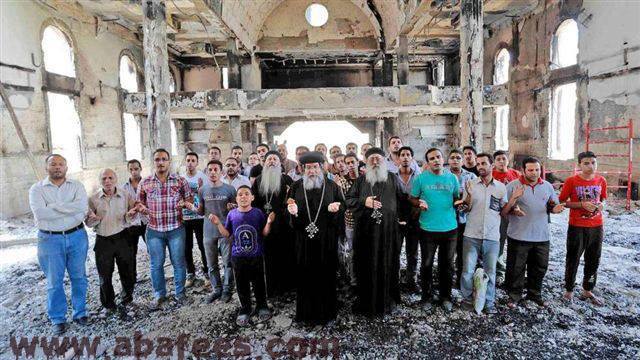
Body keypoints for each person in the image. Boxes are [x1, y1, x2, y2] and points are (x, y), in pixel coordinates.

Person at [29, 154, 90, 335]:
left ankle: (80, 313)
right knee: (54, 282)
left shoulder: (77, 186)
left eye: (61, 164)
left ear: (66, 167)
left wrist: (54, 206)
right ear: (46, 167)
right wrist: (68, 208)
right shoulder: (36, 189)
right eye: (53, 164)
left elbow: (81, 208)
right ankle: (58, 318)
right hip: (49, 240)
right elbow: (41, 214)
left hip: (77, 236)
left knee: (79, 277)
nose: (57, 167)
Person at [287, 152, 345, 324]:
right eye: (308, 168)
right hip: (303, 239)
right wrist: (293, 213)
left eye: (314, 167)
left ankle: (327, 314)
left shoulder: (332, 186)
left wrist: (337, 209)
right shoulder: (296, 187)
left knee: (326, 273)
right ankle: (306, 315)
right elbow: (288, 208)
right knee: (305, 275)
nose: (311, 170)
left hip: (326, 239)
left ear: (321, 167)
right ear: (303, 169)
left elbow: (343, 207)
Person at [346, 147, 404, 315]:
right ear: (366, 162)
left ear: (384, 161)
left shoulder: (393, 178)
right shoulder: (360, 181)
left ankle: (388, 300)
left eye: (378, 158)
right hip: (365, 232)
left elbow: (402, 200)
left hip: (388, 231)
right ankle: (366, 301)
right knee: (366, 263)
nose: (375, 161)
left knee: (388, 263)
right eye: (372, 159)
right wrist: (364, 201)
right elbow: (349, 199)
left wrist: (404, 217)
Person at [501, 157, 565, 308]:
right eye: (530, 170)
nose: (534, 173)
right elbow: (503, 211)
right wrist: (514, 206)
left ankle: (534, 293)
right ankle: (514, 296)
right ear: (523, 170)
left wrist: (556, 209)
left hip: (541, 236)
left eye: (537, 169)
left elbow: (552, 205)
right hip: (518, 235)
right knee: (516, 267)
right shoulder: (513, 186)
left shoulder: (547, 186)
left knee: (540, 267)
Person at [210, 186, 274, 327]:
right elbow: (227, 234)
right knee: (241, 283)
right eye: (240, 195)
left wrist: (269, 222)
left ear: (252, 197)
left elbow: (264, 233)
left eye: (246, 194)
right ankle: (245, 308)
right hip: (238, 257)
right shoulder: (232, 214)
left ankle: (262, 305)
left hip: (256, 255)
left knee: (259, 282)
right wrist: (217, 223)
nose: (243, 197)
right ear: (236, 198)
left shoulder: (258, 213)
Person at [137, 148, 193, 309]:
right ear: (153, 162)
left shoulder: (180, 181)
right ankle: (160, 295)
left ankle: (180, 293)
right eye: (157, 159)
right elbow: (138, 201)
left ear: (169, 161)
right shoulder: (145, 182)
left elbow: (189, 197)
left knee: (178, 262)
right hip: (154, 230)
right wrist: (141, 208)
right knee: (156, 264)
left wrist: (185, 202)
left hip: (176, 228)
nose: (160, 162)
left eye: (163, 159)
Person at [410, 148, 460, 312]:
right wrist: (419, 204)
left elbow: (456, 199)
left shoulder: (452, 178)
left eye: (438, 157)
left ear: (442, 158)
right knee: (426, 264)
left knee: (447, 265)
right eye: (432, 158)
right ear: (428, 162)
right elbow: (412, 198)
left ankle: (445, 296)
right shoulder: (420, 179)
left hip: (450, 229)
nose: (436, 160)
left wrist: (466, 200)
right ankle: (426, 297)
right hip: (427, 229)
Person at [459, 153, 507, 314]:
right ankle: (466, 300)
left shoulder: (500, 188)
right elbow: (465, 209)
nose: (480, 166)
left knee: (491, 271)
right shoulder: (470, 184)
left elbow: (503, 210)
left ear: (491, 165)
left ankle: (489, 302)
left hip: (492, 236)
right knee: (467, 270)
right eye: (478, 164)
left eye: (483, 163)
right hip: (471, 234)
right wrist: (469, 195)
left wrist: (514, 200)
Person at [86, 169, 138, 314]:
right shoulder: (93, 198)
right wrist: (92, 220)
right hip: (103, 241)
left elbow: (133, 215)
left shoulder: (125, 195)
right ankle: (108, 304)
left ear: (115, 179)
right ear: (100, 181)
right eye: (104, 179)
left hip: (123, 237)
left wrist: (130, 215)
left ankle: (127, 298)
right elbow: (88, 223)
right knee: (105, 274)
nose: (107, 181)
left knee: (127, 271)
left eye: (110, 178)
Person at [559, 151, 607, 305]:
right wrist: (581, 204)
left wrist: (601, 205)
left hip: (596, 226)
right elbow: (562, 202)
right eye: (586, 163)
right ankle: (569, 289)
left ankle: (587, 289)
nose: (590, 166)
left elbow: (604, 199)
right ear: (579, 164)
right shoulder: (571, 181)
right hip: (577, 226)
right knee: (573, 258)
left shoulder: (601, 180)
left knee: (594, 259)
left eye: (593, 162)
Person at [251, 150, 294, 297]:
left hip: (283, 225)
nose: (272, 161)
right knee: (267, 257)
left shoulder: (287, 180)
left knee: (285, 254)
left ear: (279, 163)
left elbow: (293, 202)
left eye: (275, 159)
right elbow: (254, 203)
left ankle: (286, 287)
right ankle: (270, 287)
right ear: (264, 162)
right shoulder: (258, 181)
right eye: (269, 159)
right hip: (265, 225)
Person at [195, 160, 237, 303]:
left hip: (225, 229)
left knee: (228, 262)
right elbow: (200, 212)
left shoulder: (230, 189)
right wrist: (192, 206)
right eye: (210, 170)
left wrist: (233, 207)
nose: (213, 172)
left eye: (216, 169)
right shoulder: (202, 190)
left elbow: (235, 210)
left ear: (221, 172)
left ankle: (227, 289)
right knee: (211, 263)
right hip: (208, 231)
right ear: (207, 173)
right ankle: (216, 289)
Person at [447, 149, 476, 287]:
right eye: (452, 157)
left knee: (463, 251)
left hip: (466, 220)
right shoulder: (444, 175)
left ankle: (460, 280)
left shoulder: (471, 176)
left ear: (463, 160)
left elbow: (476, 196)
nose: (455, 160)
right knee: (448, 251)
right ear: (448, 160)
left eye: (458, 157)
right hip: (447, 219)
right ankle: (446, 278)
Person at [492, 150, 521, 285]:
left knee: (516, 242)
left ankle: (514, 272)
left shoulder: (516, 174)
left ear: (508, 160)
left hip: (514, 213)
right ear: (494, 162)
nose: (501, 161)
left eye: (504, 158)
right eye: (498, 159)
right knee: (499, 242)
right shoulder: (491, 175)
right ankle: (499, 271)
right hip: (499, 213)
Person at [395, 146, 421, 292]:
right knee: (396, 250)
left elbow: (422, 196)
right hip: (398, 217)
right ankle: (395, 280)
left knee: (413, 251)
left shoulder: (419, 176)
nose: (405, 157)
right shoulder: (392, 176)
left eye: (408, 155)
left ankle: (412, 280)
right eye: (402, 155)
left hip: (414, 217)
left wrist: (416, 212)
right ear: (398, 158)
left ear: (412, 158)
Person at [182, 152, 209, 288]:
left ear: (197, 163)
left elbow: (205, 196)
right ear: (185, 162)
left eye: (193, 160)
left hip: (199, 217)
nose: (190, 163)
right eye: (188, 160)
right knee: (187, 247)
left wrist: (198, 190)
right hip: (185, 217)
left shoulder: (202, 177)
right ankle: (190, 273)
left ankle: (207, 273)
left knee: (202, 246)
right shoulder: (180, 178)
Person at [334, 153, 359, 288]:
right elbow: (344, 202)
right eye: (347, 163)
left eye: (351, 162)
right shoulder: (342, 181)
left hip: (364, 221)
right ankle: (353, 280)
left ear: (357, 162)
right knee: (351, 251)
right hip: (349, 221)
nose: (349, 165)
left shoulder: (364, 178)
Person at [123, 159, 147, 282]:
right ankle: (132, 278)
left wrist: (144, 208)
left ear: (140, 168)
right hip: (131, 224)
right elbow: (122, 206)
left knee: (153, 249)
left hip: (146, 222)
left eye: (136, 169)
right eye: (131, 169)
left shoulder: (147, 183)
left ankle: (156, 273)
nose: (134, 171)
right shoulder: (124, 188)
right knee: (131, 252)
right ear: (128, 170)